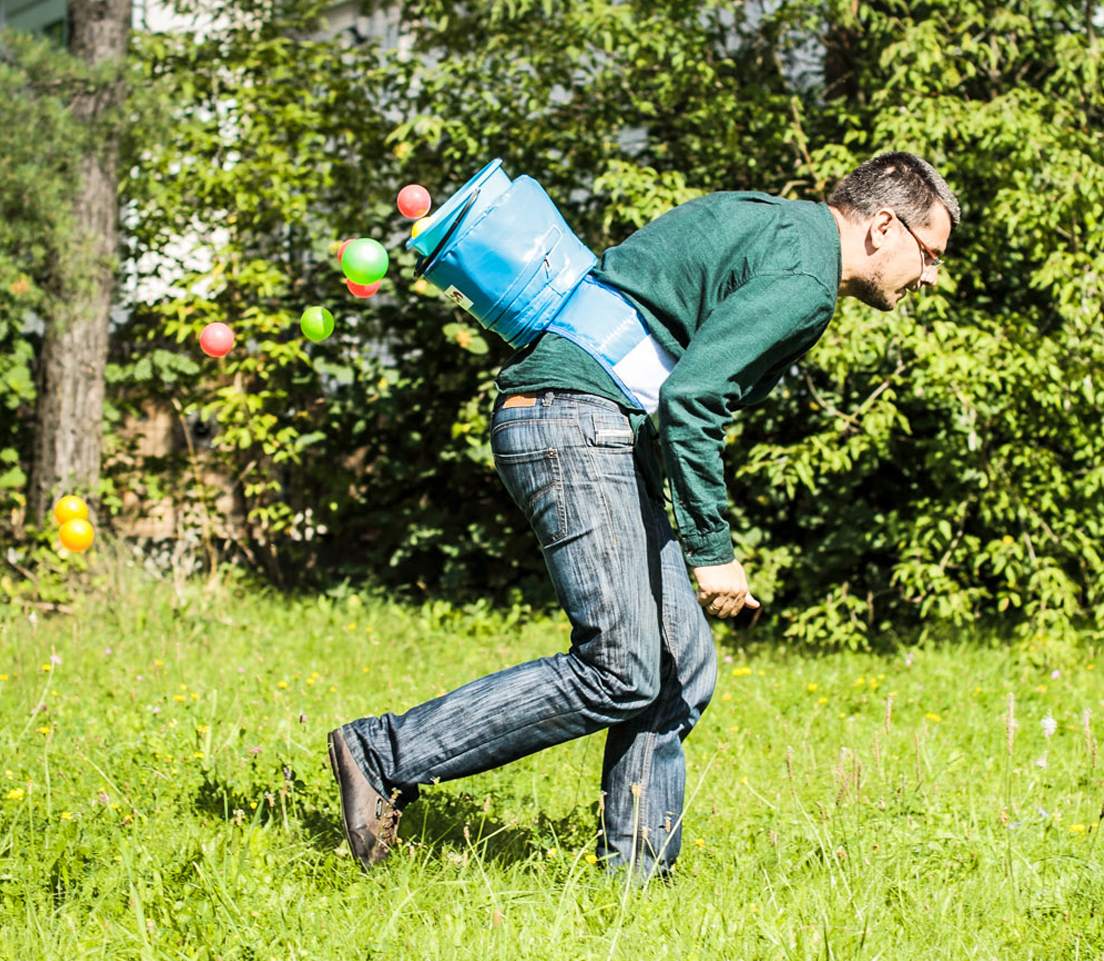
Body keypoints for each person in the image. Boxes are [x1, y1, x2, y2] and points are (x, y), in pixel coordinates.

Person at [327, 150, 960, 877]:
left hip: (581, 423)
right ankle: (382, 754)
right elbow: (692, 401)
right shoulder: (807, 279)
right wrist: (709, 547)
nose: (930, 276)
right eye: (930, 253)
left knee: (679, 668)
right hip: (574, 422)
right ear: (884, 226)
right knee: (622, 669)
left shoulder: (768, 218)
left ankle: (637, 877)